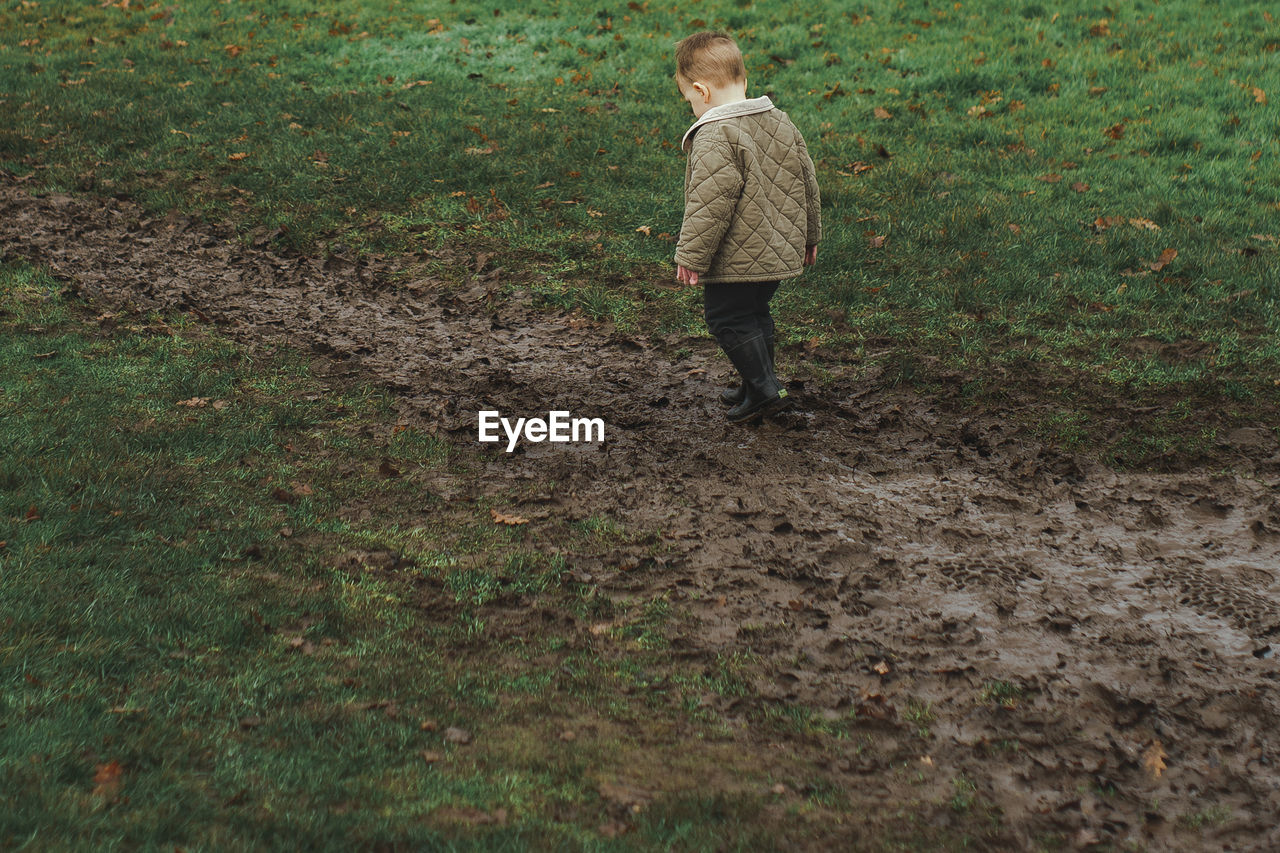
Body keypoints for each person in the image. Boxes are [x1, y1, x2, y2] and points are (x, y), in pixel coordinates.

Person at [673, 30, 821, 424]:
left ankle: (767, 393)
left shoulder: (714, 135)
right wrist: (810, 236)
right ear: (744, 81)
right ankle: (757, 382)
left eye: (688, 99)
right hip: (779, 248)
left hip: (738, 259)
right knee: (755, 313)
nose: (691, 106)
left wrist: (691, 256)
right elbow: (807, 181)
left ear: (702, 91)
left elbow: (710, 203)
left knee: (728, 317)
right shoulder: (780, 121)